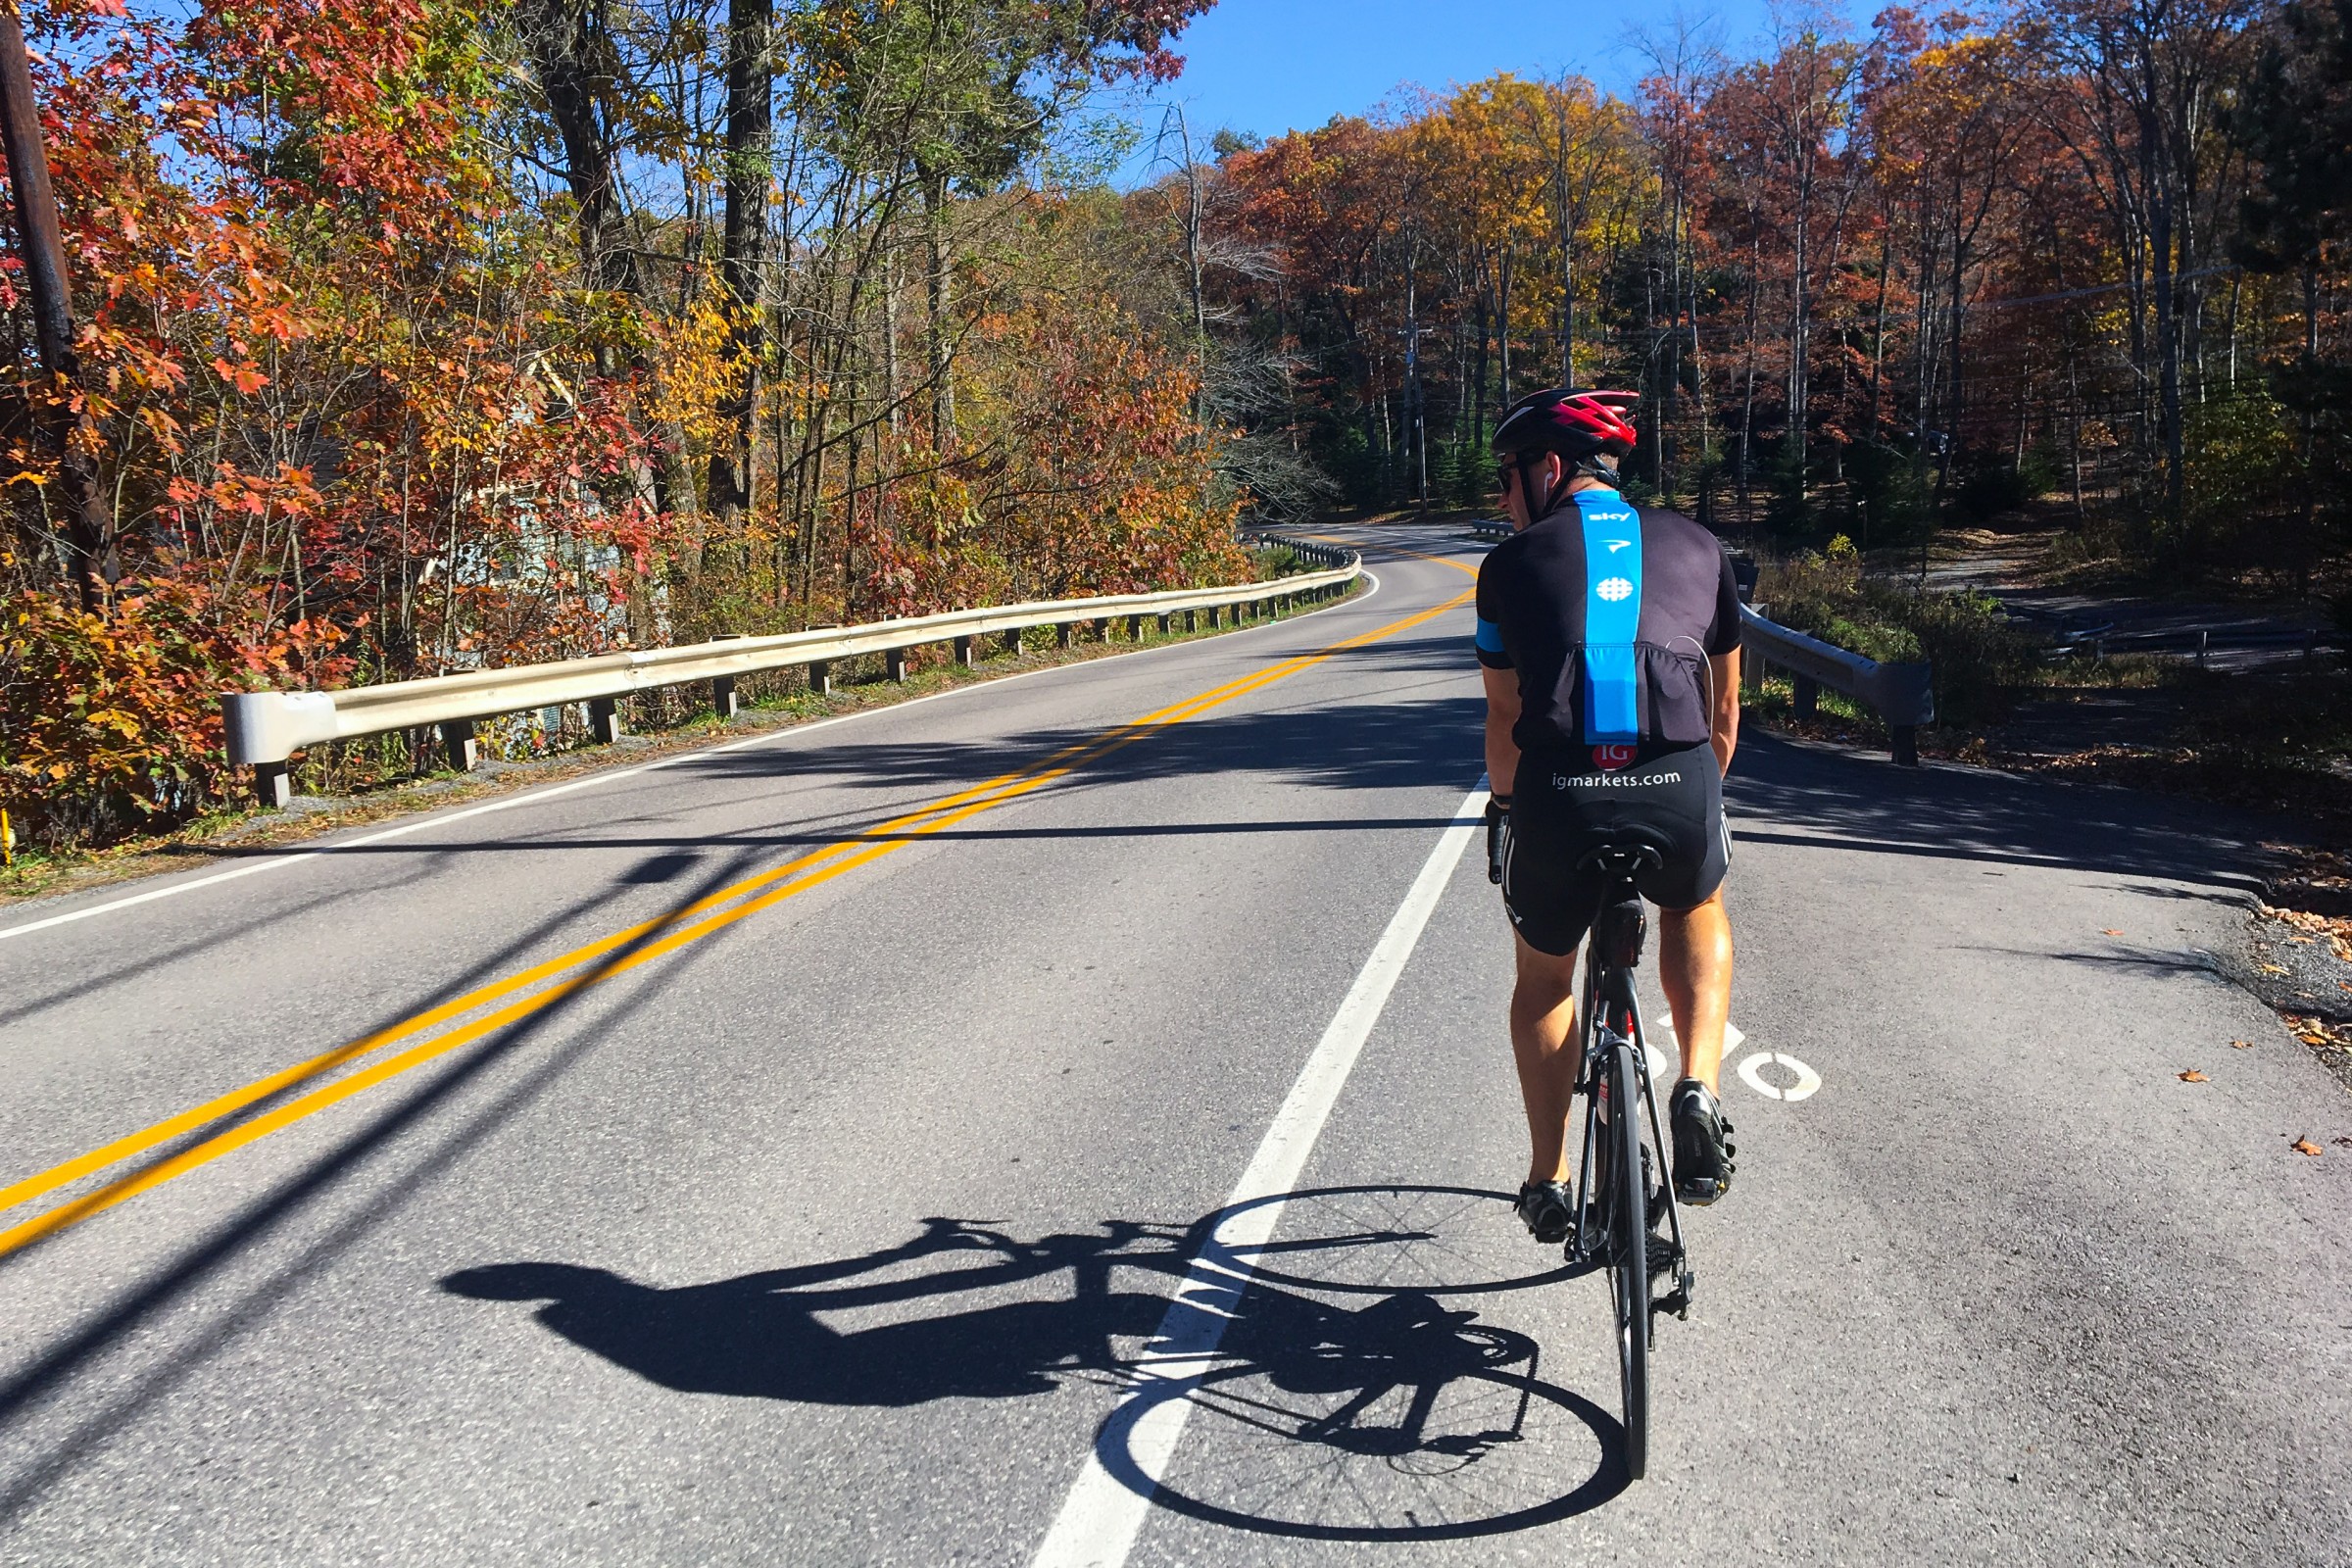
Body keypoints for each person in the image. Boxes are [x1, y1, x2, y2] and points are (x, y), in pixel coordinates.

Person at [1473, 387, 1741, 1247]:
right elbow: (1724, 712)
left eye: (1507, 479)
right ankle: (1697, 1087)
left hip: (1558, 794)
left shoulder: (1506, 566)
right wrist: (1692, 800)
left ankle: (1547, 1178)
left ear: (1549, 467)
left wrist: (1506, 812)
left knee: (1545, 978)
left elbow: (1504, 719)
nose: (1504, 500)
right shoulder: (1701, 546)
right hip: (1677, 780)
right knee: (1696, 904)